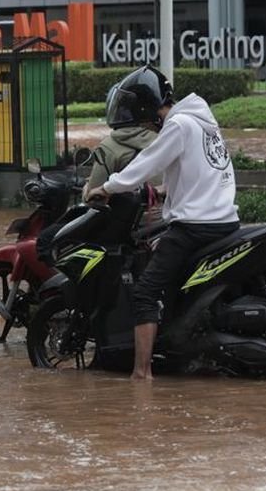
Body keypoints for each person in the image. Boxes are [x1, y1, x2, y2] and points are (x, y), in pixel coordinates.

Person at [83, 66, 238, 381]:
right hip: (225, 220)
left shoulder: (179, 124)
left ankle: (142, 373)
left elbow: (147, 162)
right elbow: (200, 170)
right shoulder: (203, 121)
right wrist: (165, 190)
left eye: (138, 113)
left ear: (145, 106)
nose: (141, 123)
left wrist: (107, 188)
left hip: (195, 226)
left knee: (145, 292)